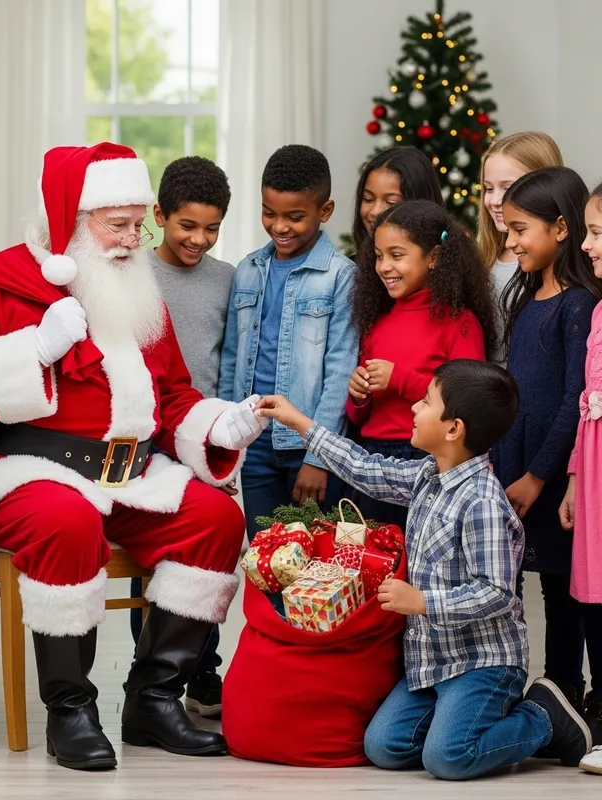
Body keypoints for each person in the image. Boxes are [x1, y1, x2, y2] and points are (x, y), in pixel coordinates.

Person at [0, 142, 267, 772]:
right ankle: (70, 709)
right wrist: (35, 348)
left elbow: (170, 395)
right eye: (117, 224)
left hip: (127, 474)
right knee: (66, 519)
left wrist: (224, 423)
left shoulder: (136, 288)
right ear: (71, 221)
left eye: (137, 223)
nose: (132, 238)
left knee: (215, 519)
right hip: (20, 471)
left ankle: (153, 701)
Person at [256, 359, 593, 779]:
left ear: (453, 429)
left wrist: (422, 602)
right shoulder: (428, 475)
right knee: (384, 747)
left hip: (482, 663)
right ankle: (457, 720)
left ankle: (544, 717)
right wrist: (301, 422)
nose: (414, 408)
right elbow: (366, 469)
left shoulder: (483, 503)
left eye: (425, 401)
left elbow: (497, 593)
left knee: (448, 759)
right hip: (431, 662)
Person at [129, 155, 235, 720]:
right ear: (159, 215)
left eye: (211, 227)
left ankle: (203, 672)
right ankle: (149, 672)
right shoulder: (133, 275)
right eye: (186, 225)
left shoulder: (228, 280)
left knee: (208, 560)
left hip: (206, 435)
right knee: (156, 561)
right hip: (150, 436)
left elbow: (232, 357)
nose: (199, 238)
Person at [494, 167, 601, 718]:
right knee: (508, 590)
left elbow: (573, 400)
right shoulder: (527, 293)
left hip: (553, 475)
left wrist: (539, 474)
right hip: (512, 468)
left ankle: (566, 700)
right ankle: (512, 691)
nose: (509, 241)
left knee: (562, 596)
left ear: (561, 228)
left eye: (519, 229)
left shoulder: (579, 304)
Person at [219, 144, 357, 541]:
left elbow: (339, 372)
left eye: (295, 217)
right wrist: (227, 445)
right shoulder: (248, 270)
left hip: (305, 445)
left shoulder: (340, 276)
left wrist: (319, 456)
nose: (280, 226)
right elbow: (232, 360)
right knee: (266, 560)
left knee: (312, 572)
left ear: (324, 212)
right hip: (254, 443)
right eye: (269, 213)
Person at [346, 200, 494, 529]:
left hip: (431, 461)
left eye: (397, 255)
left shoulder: (460, 322)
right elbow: (359, 415)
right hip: (375, 458)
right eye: (379, 256)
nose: (384, 266)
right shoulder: (377, 320)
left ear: (434, 257)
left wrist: (399, 379)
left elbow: (468, 403)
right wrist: (359, 395)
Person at [559, 182, 602, 775]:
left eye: (597, 234)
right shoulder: (596, 312)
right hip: (591, 474)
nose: (589, 247)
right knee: (595, 596)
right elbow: (585, 404)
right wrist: (572, 476)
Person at [478, 132, 564, 364]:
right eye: (488, 188)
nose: (495, 200)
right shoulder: (482, 257)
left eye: (508, 188)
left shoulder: (551, 264)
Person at [349, 146, 444, 258]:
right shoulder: (350, 270)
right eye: (368, 199)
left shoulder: (453, 270)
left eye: (391, 202)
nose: (375, 211)